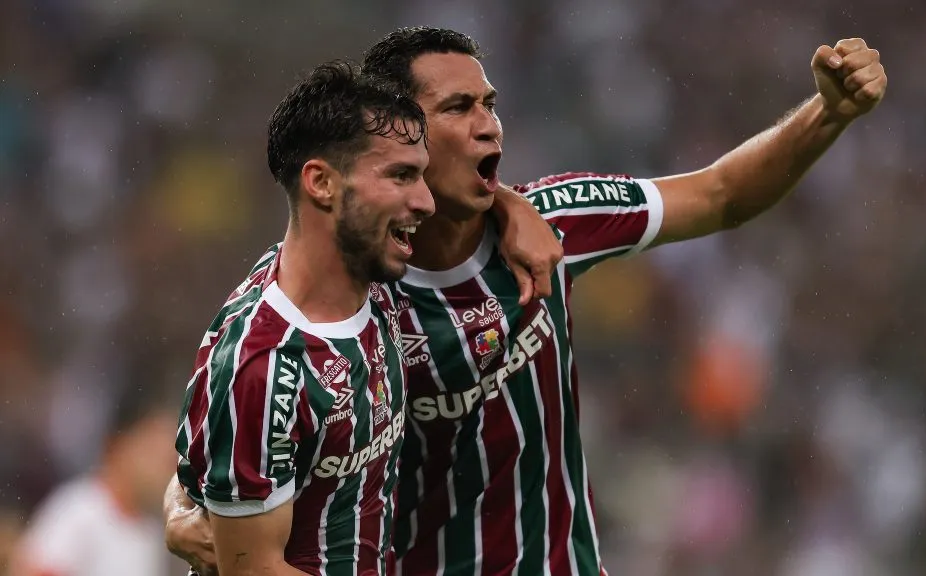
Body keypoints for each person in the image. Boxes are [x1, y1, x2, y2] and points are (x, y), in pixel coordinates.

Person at [167, 27, 887, 576]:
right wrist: (181, 516)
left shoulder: (555, 223)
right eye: (459, 107)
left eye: (490, 105)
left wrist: (827, 115)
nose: (489, 124)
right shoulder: (355, 292)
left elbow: (721, 193)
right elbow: (237, 433)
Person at [173, 61, 434, 576]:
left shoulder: (372, 276)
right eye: (401, 175)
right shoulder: (265, 366)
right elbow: (252, 571)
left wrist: (516, 212)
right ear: (321, 183)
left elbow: (203, 451)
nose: (426, 201)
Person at [10, 390, 178, 576]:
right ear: (118, 446)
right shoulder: (79, 510)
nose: (163, 469)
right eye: (153, 452)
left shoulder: (151, 536)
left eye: (169, 459)